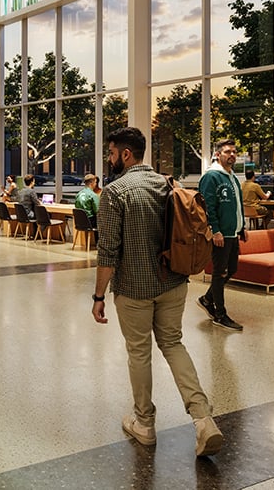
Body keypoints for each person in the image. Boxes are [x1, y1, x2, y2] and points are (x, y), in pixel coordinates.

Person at [90, 126, 224, 458]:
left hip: (134, 288)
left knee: (139, 353)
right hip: (173, 282)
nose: (109, 158)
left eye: (111, 153)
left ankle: (144, 424)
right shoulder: (168, 184)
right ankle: (203, 419)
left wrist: (98, 297)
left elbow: (108, 252)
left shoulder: (115, 192)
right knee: (173, 344)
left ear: (125, 154)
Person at [198, 139, 246, 331]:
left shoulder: (232, 177)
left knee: (232, 269)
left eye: (234, 151)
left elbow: (237, 205)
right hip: (220, 234)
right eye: (227, 152)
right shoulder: (211, 177)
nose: (232, 155)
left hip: (233, 233)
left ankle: (207, 299)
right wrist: (215, 230)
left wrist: (242, 227)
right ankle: (220, 314)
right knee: (220, 273)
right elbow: (207, 206)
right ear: (218, 155)